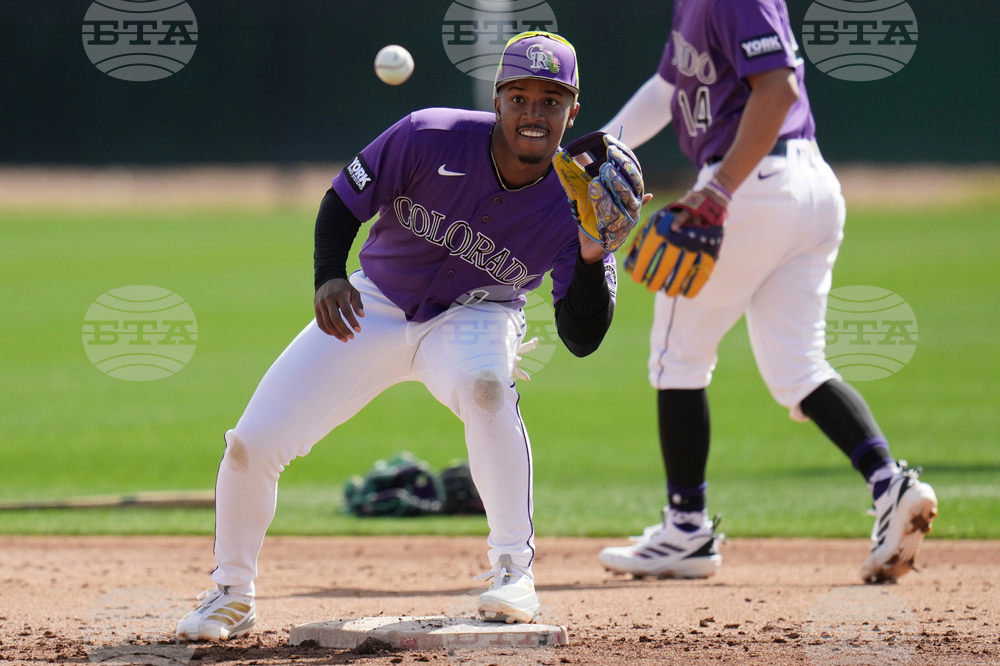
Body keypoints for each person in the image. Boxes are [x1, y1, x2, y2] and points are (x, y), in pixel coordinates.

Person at [175, 31, 648, 641]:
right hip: (376, 301)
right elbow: (342, 201)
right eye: (521, 97)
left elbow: (582, 337)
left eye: (551, 100)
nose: (534, 113)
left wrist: (590, 252)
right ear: (498, 99)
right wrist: (326, 277)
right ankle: (231, 594)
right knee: (250, 443)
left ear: (573, 109)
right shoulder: (428, 134)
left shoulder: (577, 199)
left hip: (477, 316)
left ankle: (513, 574)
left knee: (486, 389)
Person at [595, 0, 937, 583]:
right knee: (799, 368)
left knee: (677, 355)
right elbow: (666, 85)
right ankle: (890, 484)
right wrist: (603, 145)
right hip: (805, 187)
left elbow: (775, 90)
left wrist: (722, 189)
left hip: (749, 181)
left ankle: (686, 528)